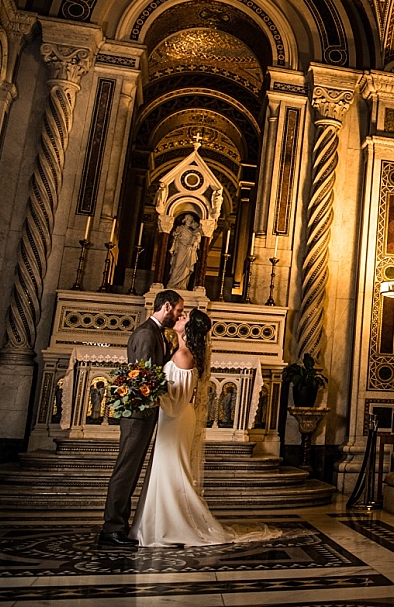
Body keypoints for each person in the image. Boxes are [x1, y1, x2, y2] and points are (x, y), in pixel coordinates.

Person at [131, 309, 279, 546]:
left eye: (185, 317)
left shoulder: (184, 355)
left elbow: (177, 402)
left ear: (190, 328)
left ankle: (170, 526)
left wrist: (151, 397)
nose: (180, 317)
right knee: (165, 469)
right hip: (174, 419)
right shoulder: (179, 351)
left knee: (171, 470)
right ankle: (156, 524)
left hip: (175, 419)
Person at [98, 289, 185, 547]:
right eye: (178, 310)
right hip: (138, 415)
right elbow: (145, 376)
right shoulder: (147, 333)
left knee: (131, 470)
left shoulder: (155, 332)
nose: (179, 314)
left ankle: (119, 526)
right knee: (126, 470)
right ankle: (112, 528)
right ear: (167, 306)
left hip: (143, 414)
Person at [166, 214, 202, 290]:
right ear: (185, 220)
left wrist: (196, 238)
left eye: (191, 220)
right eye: (188, 220)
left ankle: (182, 285)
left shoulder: (192, 232)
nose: (189, 222)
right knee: (177, 265)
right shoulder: (180, 228)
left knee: (186, 268)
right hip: (181, 249)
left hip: (188, 250)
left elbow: (198, 235)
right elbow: (175, 236)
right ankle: (172, 283)